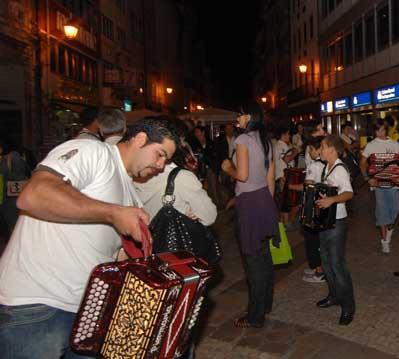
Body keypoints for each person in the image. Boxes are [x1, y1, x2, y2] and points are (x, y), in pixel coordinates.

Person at [0, 116, 179, 358]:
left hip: (88, 312)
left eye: (166, 160)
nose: (160, 166)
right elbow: (33, 195)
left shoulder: (131, 196)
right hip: (37, 304)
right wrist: (113, 213)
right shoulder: (93, 152)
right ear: (139, 139)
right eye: (160, 154)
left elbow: (112, 255)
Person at [222, 101, 279, 328]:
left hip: (250, 203)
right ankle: (265, 304)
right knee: (264, 258)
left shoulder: (242, 140)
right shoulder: (266, 141)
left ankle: (255, 316)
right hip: (265, 199)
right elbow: (270, 179)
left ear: (250, 117)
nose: (238, 117)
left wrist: (228, 168)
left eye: (241, 114)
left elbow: (243, 175)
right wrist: (268, 205)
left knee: (253, 262)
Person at [315, 135, 355, 326]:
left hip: (337, 223)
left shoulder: (339, 169)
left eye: (322, 147)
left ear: (332, 150)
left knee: (337, 265)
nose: (320, 150)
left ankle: (348, 306)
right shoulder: (327, 167)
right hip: (326, 222)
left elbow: (348, 193)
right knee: (326, 262)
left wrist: (331, 200)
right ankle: (334, 296)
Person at [289, 136, 325, 283]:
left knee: (312, 240)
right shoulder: (328, 164)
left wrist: (291, 187)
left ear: (318, 150)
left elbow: (308, 187)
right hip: (323, 206)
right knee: (320, 240)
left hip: (312, 207)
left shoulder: (314, 166)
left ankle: (319, 271)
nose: (308, 152)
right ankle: (318, 267)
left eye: (310, 149)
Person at [360, 119, 399, 254]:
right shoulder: (371, 145)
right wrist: (367, 178)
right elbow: (363, 162)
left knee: (394, 212)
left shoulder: (395, 144)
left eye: (382, 129)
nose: (379, 133)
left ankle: (388, 233)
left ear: (386, 129)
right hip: (379, 185)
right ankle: (385, 241)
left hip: (394, 185)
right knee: (382, 212)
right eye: (377, 130)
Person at [0, 137, 30, 237]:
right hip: (4, 196)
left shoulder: (13, 156)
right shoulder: (4, 157)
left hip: (13, 197)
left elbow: (21, 176)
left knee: (14, 227)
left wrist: (5, 173)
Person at [273, 126, 299, 231]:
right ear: (283, 134)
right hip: (282, 176)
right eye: (288, 134)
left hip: (286, 175)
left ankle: (284, 222)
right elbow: (286, 160)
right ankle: (285, 223)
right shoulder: (279, 146)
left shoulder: (284, 145)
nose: (290, 136)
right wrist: (295, 152)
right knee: (285, 200)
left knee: (287, 199)